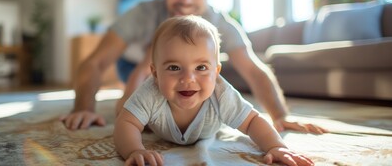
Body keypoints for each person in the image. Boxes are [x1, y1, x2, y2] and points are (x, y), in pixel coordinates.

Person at [61, 0, 326, 134]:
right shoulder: (143, 13)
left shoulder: (221, 23)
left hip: (184, 71)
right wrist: (84, 107)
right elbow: (94, 62)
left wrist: (280, 116)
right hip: (133, 66)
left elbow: (254, 71)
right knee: (137, 91)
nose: (186, 0)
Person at [114, 15, 314, 166]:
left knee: (239, 116)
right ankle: (149, 119)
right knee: (134, 116)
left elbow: (253, 121)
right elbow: (126, 122)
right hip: (159, 125)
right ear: (155, 73)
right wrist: (134, 149)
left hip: (210, 128)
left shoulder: (221, 93)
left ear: (216, 72)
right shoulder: (151, 90)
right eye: (174, 67)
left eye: (201, 68)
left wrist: (275, 146)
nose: (188, 79)